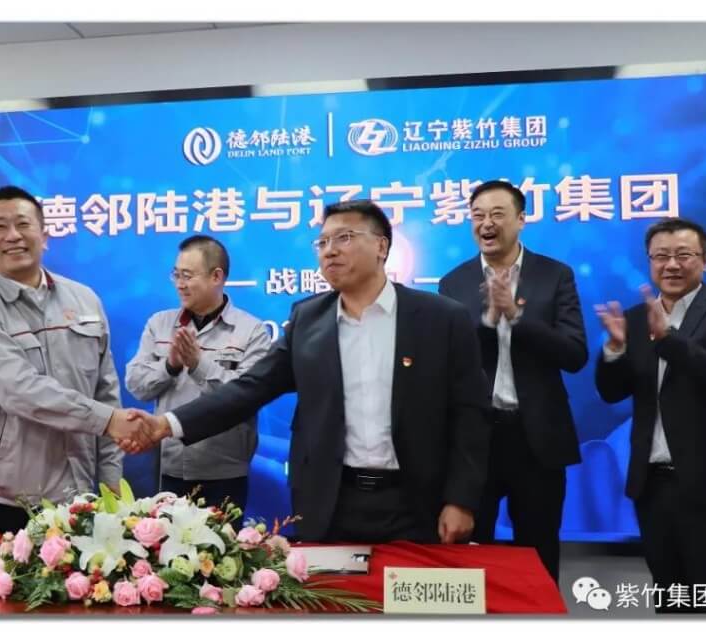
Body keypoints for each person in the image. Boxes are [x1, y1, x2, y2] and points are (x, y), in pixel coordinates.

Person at [124, 199, 491, 544]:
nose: (329, 250)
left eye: (344, 238)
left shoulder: (441, 319)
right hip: (330, 501)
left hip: (417, 502)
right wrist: (166, 425)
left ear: (381, 246)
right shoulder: (308, 319)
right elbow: (250, 388)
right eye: (323, 242)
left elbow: (470, 414)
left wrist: (461, 499)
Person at [0, 185, 148, 534]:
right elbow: (18, 389)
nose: (13, 236)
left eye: (23, 224)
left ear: (45, 235)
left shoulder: (84, 300)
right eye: (0, 227)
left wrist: (111, 478)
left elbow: (105, 391)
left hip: (76, 497)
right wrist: (109, 421)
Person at [438, 180, 587, 582]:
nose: (486, 223)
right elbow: (450, 362)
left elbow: (574, 354)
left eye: (497, 214)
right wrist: (488, 320)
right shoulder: (453, 283)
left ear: (521, 219)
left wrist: (516, 317)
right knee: (471, 560)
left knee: (539, 556)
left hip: (536, 440)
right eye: (478, 215)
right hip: (475, 441)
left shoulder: (555, 275)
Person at [594, 218, 706, 614]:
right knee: (669, 594)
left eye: (683, 255)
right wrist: (615, 350)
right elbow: (612, 392)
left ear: (705, 260)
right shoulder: (635, 319)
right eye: (661, 256)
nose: (671, 265)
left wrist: (668, 340)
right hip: (652, 484)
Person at [125, 235, 271, 511]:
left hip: (224, 472)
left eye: (188, 276)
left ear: (217, 276)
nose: (180, 284)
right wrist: (169, 366)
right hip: (168, 467)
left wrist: (198, 365)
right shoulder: (160, 324)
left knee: (224, 540)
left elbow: (247, 397)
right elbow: (136, 385)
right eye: (176, 275)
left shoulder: (251, 331)